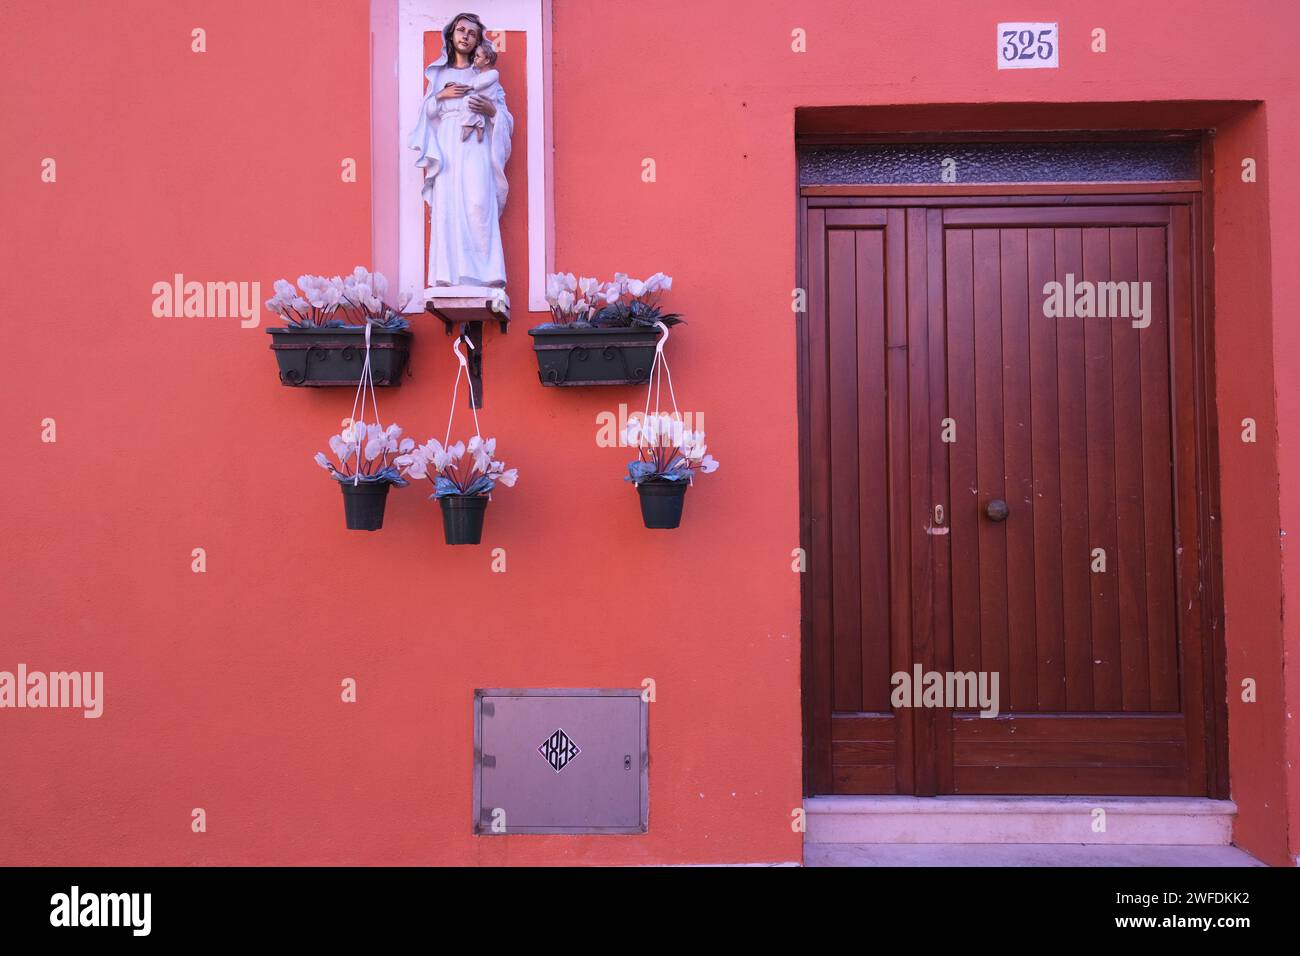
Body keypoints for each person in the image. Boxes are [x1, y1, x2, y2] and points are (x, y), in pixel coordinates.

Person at [407, 13, 513, 288]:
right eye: (461, 30)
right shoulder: (440, 75)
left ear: (478, 42)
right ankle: (448, 275)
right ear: (452, 35)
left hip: (476, 146)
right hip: (447, 146)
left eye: (472, 33)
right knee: (448, 205)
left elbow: (504, 116)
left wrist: (490, 111)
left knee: (478, 202)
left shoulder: (485, 75)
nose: (465, 36)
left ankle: (486, 274)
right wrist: (441, 96)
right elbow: (425, 114)